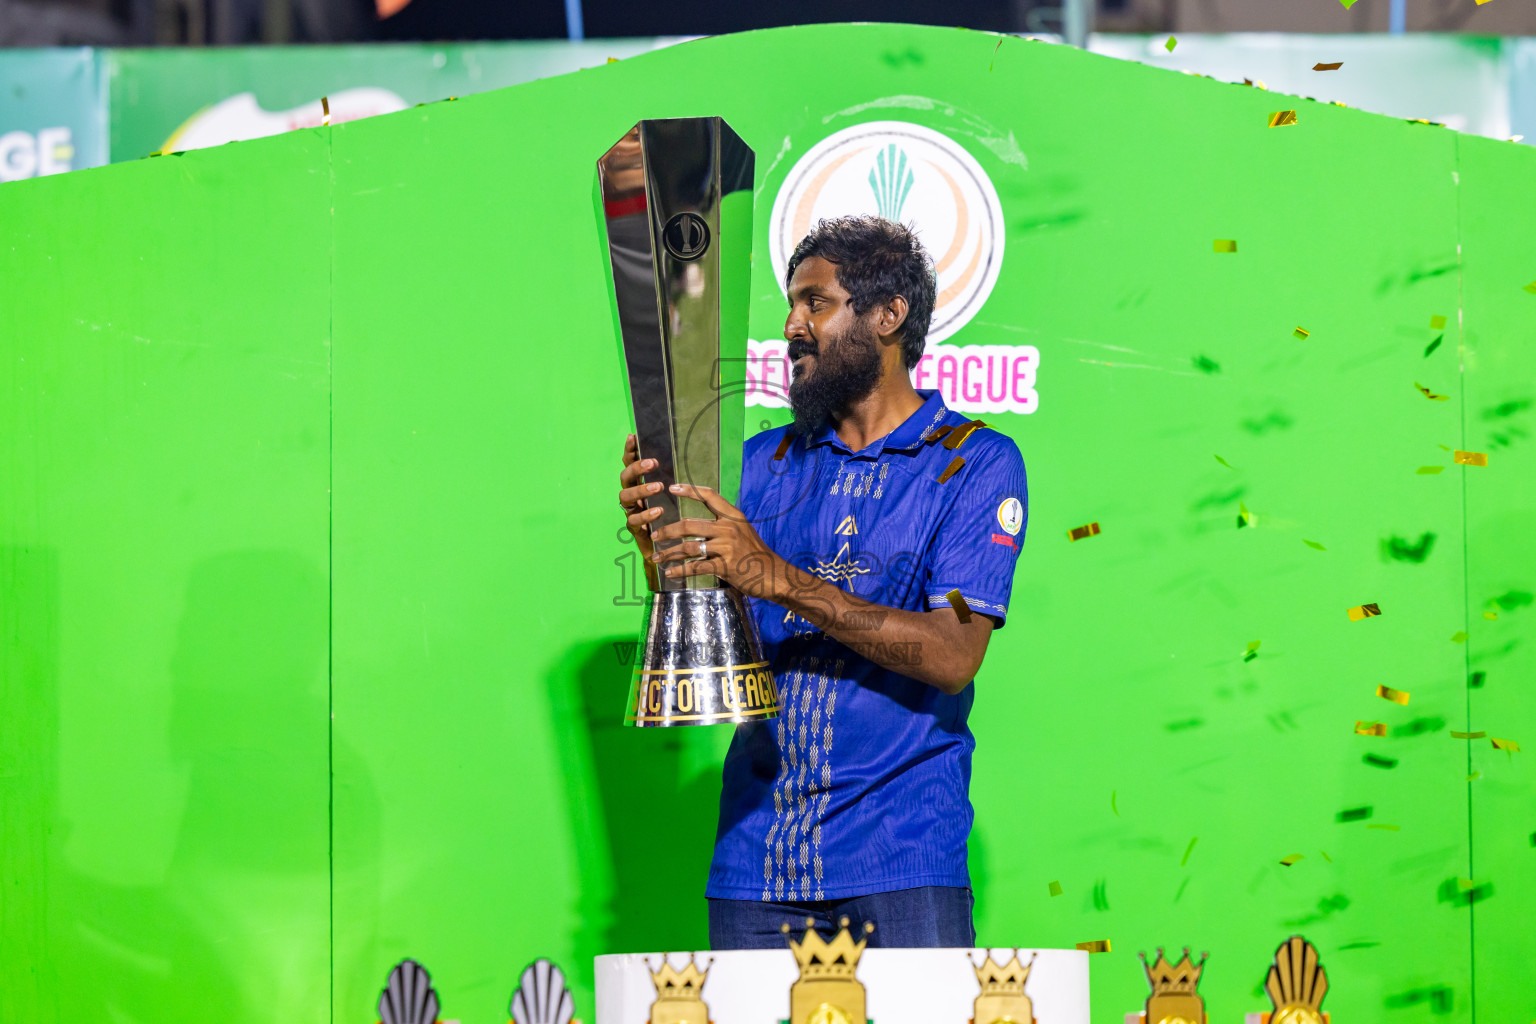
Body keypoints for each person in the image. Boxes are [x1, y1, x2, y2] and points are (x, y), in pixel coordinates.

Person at [616, 215, 1028, 949]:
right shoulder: (759, 463)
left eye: (815, 303)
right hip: (754, 862)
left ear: (888, 315)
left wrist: (775, 577)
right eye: (790, 305)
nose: (791, 325)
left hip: (903, 857)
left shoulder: (975, 464)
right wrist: (663, 549)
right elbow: (706, 629)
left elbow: (953, 652)